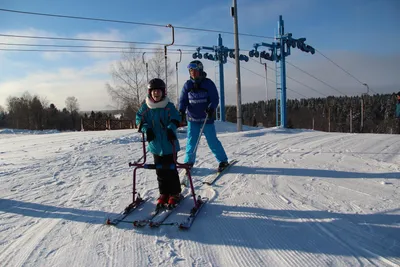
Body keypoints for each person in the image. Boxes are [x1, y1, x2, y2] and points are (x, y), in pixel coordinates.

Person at [136, 78, 182, 209]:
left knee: (171, 170)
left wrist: (170, 128)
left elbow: (176, 117)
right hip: (155, 145)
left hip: (169, 144)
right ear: (150, 93)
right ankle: (164, 193)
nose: (156, 94)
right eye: (154, 91)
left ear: (163, 92)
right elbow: (139, 119)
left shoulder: (168, 106)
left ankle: (174, 193)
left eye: (159, 91)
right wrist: (146, 129)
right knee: (160, 171)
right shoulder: (146, 107)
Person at [179, 60, 229, 172]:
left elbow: (215, 98)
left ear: (200, 71)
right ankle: (189, 162)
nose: (192, 73)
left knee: (212, 141)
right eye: (191, 71)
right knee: (191, 142)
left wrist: (211, 108)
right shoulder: (188, 85)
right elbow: (183, 100)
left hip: (207, 119)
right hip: (192, 119)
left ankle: (223, 160)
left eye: (195, 71)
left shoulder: (208, 83)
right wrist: (181, 111)